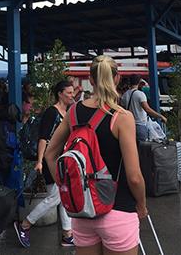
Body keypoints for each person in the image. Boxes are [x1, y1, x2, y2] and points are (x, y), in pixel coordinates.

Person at [45, 55, 148, 254]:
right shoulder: (122, 117)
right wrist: (142, 205)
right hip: (118, 210)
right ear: (117, 78)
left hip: (84, 212)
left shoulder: (73, 112)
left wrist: (66, 186)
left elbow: (50, 154)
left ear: (90, 80)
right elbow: (134, 176)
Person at [14, 80, 75, 248]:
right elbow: (43, 138)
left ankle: (67, 234)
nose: (72, 95)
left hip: (61, 159)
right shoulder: (52, 112)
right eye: (69, 93)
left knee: (63, 197)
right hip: (51, 160)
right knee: (55, 197)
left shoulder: (66, 111)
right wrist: (40, 161)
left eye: (72, 92)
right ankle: (25, 224)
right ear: (60, 93)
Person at [119, 75, 166, 141]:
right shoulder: (140, 94)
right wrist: (160, 116)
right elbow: (147, 109)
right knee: (143, 148)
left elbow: (123, 110)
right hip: (140, 125)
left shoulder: (125, 95)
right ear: (139, 82)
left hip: (129, 126)